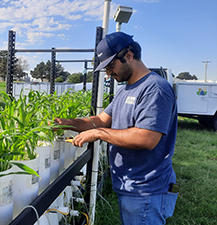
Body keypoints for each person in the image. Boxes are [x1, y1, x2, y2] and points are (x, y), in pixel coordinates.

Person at [54, 32, 178, 225]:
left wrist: (98, 133)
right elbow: (101, 121)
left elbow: (147, 138)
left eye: (111, 66)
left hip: (146, 190)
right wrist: (68, 122)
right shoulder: (125, 90)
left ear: (129, 56)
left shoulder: (155, 89)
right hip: (130, 186)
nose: (109, 74)